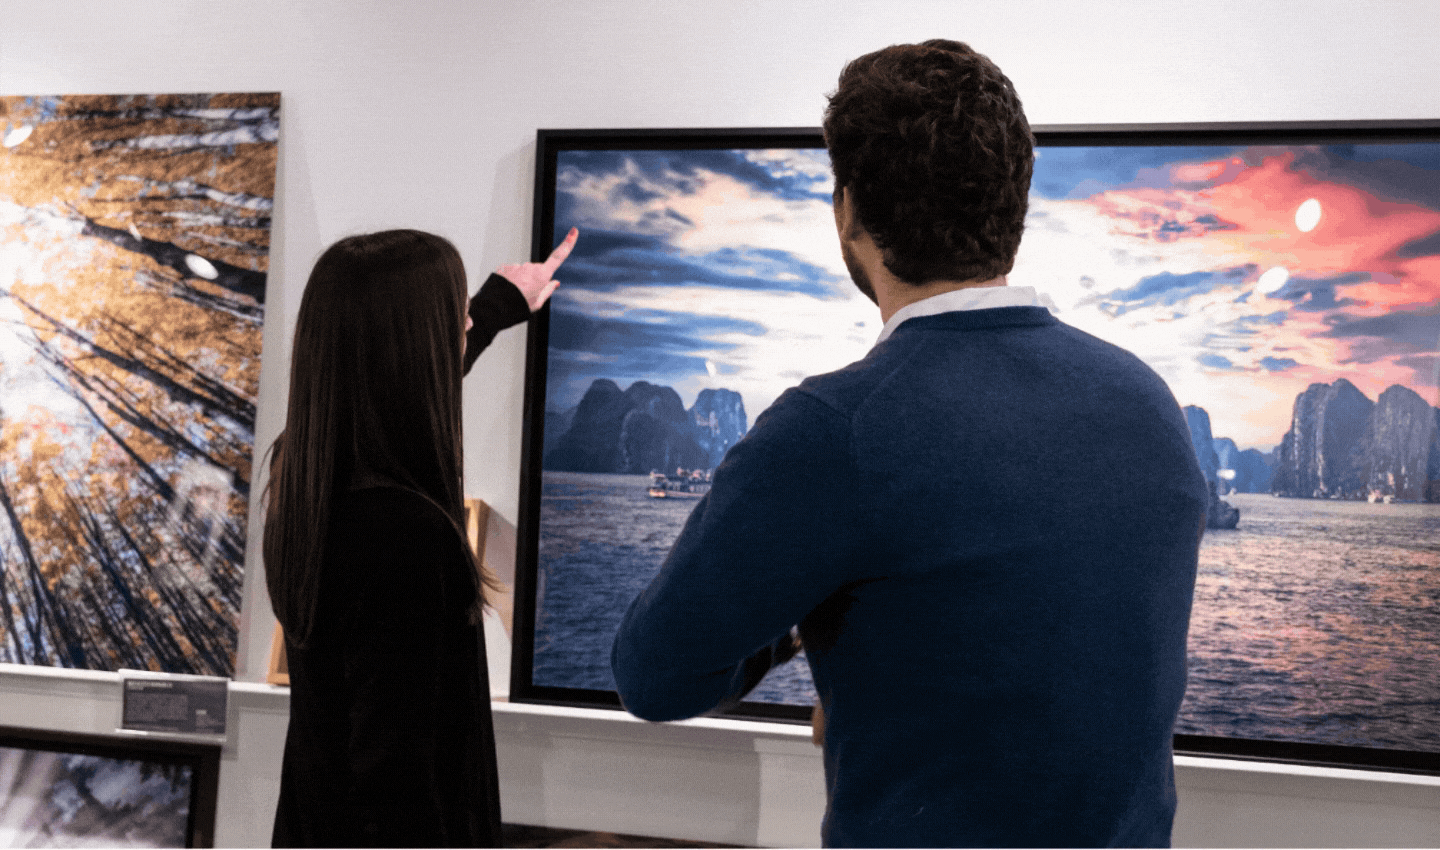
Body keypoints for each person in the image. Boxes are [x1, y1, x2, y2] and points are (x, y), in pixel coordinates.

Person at [611, 40, 1206, 848]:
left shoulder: (835, 428)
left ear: (847, 212)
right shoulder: (1146, 400)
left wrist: (801, 617)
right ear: (1014, 204)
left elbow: (655, 675)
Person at [266, 226, 575, 847]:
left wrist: (496, 304)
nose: (466, 325)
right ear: (412, 349)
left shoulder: (308, 471)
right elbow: (394, 780)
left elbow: (397, 384)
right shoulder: (401, 532)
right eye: (456, 317)